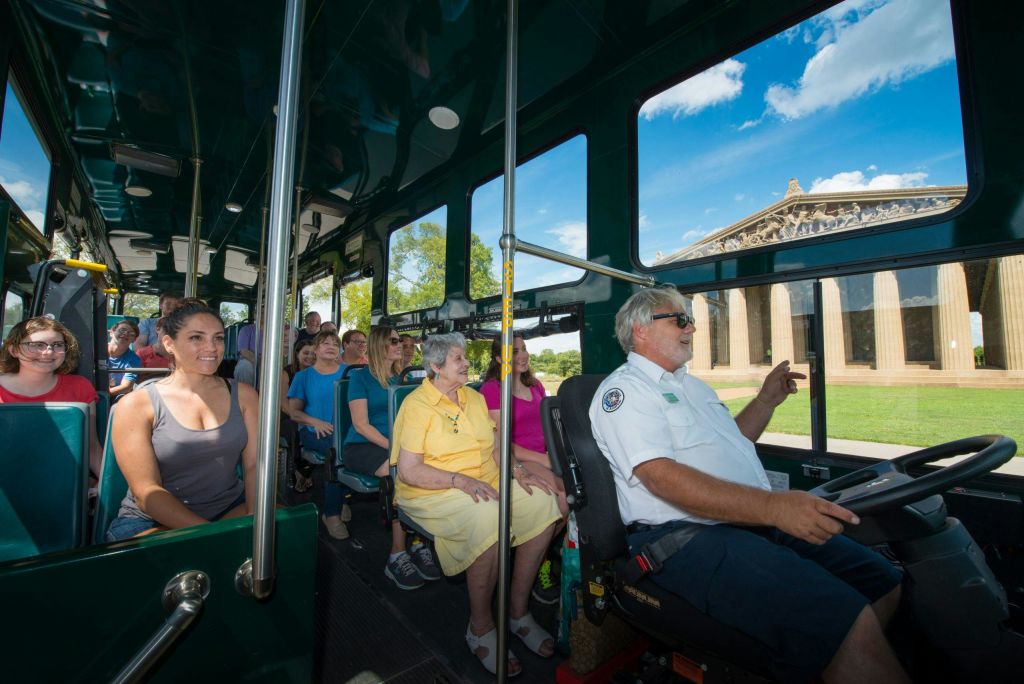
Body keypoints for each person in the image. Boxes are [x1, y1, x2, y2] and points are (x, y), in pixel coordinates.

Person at [590, 287, 907, 684]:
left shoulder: (693, 386)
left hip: (746, 520)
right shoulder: (626, 391)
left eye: (691, 319)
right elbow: (661, 476)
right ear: (639, 330)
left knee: (882, 582)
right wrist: (774, 507)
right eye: (680, 319)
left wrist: (765, 402)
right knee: (845, 620)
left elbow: (734, 441)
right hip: (686, 536)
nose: (692, 328)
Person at [393, 332, 561, 676]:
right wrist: (459, 479)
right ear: (436, 366)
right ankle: (481, 627)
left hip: (484, 479)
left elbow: (497, 444)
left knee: (544, 502)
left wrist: (517, 472)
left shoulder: (473, 397)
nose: (467, 363)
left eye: (465, 357)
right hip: (436, 488)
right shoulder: (416, 406)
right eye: (458, 359)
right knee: (490, 518)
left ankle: (517, 612)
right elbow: (409, 470)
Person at [106, 301, 259, 541]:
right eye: (196, 338)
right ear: (169, 343)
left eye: (218, 338)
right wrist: (211, 535)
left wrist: (254, 515)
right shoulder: (136, 405)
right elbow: (146, 491)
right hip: (154, 520)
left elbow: (254, 466)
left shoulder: (246, 395)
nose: (211, 347)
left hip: (230, 508)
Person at [344, 327, 439, 589]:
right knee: (399, 470)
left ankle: (420, 541)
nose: (402, 345)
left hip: (398, 446)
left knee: (429, 467)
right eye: (395, 341)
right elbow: (361, 425)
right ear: (380, 345)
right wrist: (396, 449)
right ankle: (397, 553)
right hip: (363, 445)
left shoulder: (402, 378)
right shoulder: (360, 378)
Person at [480, 335, 568, 606]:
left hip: (545, 454)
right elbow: (501, 441)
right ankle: (532, 560)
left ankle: (533, 554)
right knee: (563, 496)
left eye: (524, 349)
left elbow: (549, 427)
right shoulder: (493, 390)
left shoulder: (537, 385)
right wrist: (544, 461)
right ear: (498, 359)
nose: (522, 355)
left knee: (574, 497)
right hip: (516, 456)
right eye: (513, 351)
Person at [0, 317, 102, 476]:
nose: (48, 352)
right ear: (14, 350)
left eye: (57, 345)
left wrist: (108, 486)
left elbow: (91, 448)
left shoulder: (80, 387)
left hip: (60, 477)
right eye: (37, 345)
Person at [288, 331, 352, 539]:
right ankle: (331, 514)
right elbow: (294, 412)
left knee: (349, 449)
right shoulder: (303, 377)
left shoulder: (349, 373)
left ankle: (340, 498)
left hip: (343, 431)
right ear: (315, 349)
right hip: (312, 431)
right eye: (325, 343)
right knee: (335, 453)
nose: (331, 346)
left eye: (335, 343)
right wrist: (315, 422)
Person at [281, 336, 316, 493]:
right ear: (297, 354)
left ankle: (306, 471)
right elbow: (283, 404)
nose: (310, 356)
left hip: (311, 416)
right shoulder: (287, 373)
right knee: (295, 429)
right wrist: (303, 419)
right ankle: (297, 471)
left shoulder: (317, 374)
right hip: (287, 417)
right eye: (306, 353)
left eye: (313, 353)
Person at [107, 319, 142, 400]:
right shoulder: (96, 351)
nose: (126, 334)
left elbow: (126, 386)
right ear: (111, 333)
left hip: (115, 396)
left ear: (134, 340)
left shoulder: (134, 359)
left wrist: (102, 395)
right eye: (122, 330)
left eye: (131, 333)